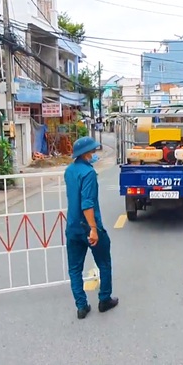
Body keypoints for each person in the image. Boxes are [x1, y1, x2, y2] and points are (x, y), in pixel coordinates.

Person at [64, 136, 119, 319]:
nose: (95, 153)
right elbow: (87, 204)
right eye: (93, 151)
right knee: (104, 263)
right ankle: (104, 300)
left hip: (72, 226)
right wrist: (93, 229)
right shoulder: (88, 174)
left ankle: (81, 306)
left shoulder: (69, 171)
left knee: (74, 269)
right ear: (86, 153)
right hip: (89, 227)